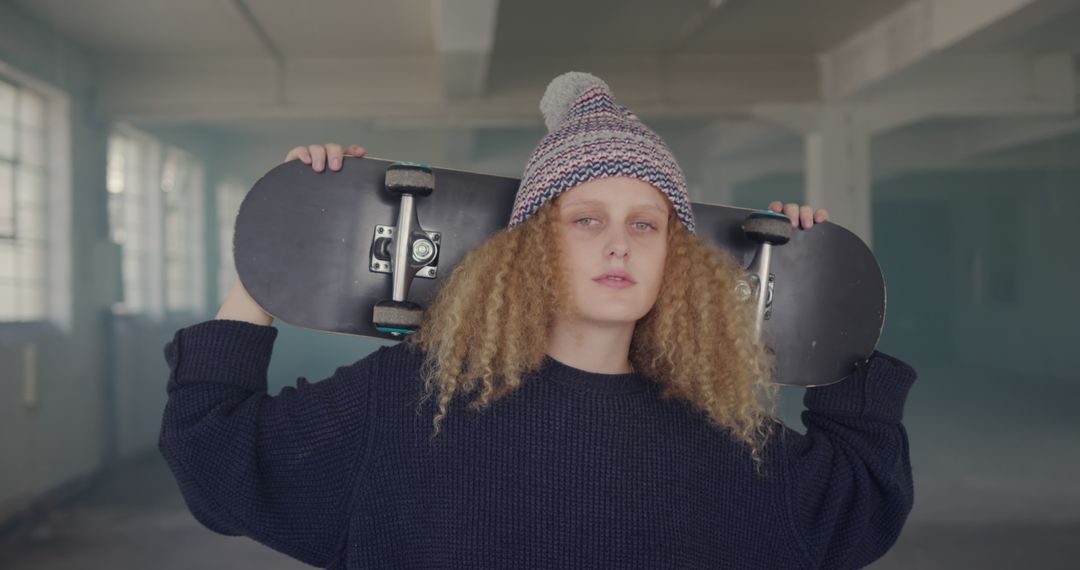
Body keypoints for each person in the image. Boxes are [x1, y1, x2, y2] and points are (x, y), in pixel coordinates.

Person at [160, 72, 916, 569]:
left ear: (676, 263)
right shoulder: (413, 398)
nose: (619, 241)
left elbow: (859, 505)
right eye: (585, 221)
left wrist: (823, 294)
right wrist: (271, 252)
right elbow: (218, 457)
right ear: (530, 251)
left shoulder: (725, 431)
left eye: (647, 225)